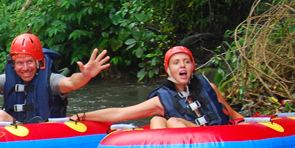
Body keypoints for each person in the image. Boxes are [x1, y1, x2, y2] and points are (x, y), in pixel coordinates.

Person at [0, 33, 111, 127]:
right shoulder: (9, 79)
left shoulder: (51, 80)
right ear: (14, 64)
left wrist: (86, 74)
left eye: (30, 62)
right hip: (7, 134)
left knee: (0, 115)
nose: (25, 68)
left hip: (38, 136)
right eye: (19, 63)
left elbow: (72, 83)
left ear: (38, 62)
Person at [71, 46, 244, 128]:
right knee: (157, 120)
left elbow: (235, 117)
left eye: (186, 62)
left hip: (219, 141)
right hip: (188, 147)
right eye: (176, 63)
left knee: (173, 121)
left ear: (193, 67)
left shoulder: (210, 88)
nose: (182, 66)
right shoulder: (161, 100)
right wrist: (84, 115)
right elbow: (120, 113)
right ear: (168, 70)